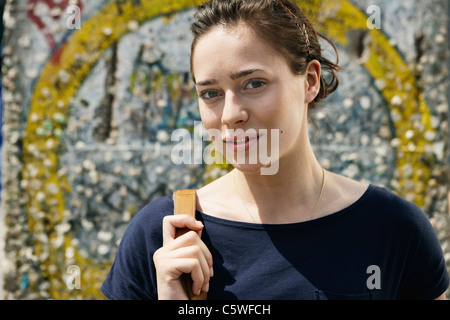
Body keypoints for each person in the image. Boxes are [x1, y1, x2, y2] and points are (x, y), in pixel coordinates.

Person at [101, 0, 449, 300]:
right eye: (211, 93)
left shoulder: (394, 230)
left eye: (254, 84)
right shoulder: (165, 236)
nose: (231, 115)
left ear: (310, 81)